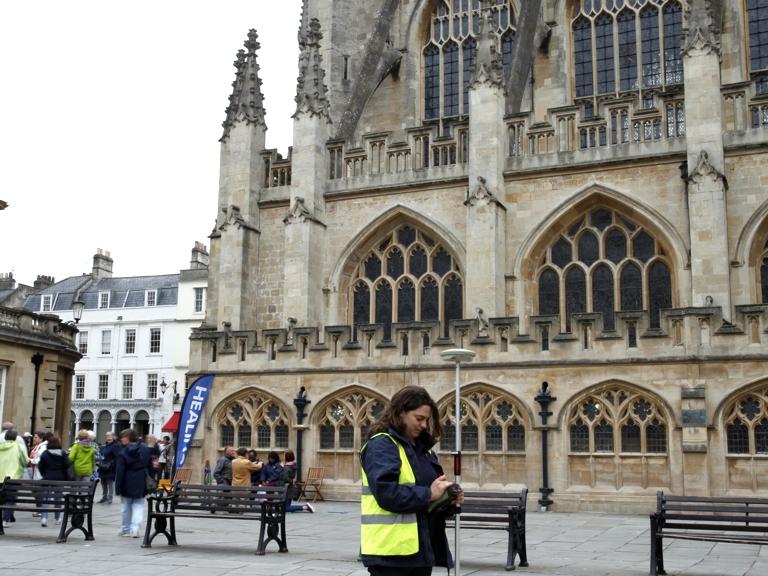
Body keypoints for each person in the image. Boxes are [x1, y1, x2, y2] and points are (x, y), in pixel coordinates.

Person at [359, 385, 462, 576]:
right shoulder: (382, 444)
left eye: (426, 419)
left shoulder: (424, 449)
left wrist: (445, 499)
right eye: (419, 418)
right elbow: (387, 494)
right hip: (391, 552)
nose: (424, 425)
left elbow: (426, 500)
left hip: (421, 548)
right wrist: (430, 493)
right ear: (400, 413)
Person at [114, 428, 152, 538]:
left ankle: (125, 529)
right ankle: (135, 529)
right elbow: (150, 468)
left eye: (123, 437)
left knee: (126, 506)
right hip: (141, 480)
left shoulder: (123, 452)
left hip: (127, 480)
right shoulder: (145, 449)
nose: (121, 439)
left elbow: (119, 471)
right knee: (138, 505)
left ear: (128, 438)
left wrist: (118, 487)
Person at [37, 436, 72, 527]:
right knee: (58, 498)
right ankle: (57, 518)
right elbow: (67, 465)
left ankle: (44, 517)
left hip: (47, 477)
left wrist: (44, 474)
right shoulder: (62, 453)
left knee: (46, 498)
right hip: (59, 478)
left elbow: (40, 466)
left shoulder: (45, 453)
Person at [0, 430, 29, 528]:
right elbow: (25, 461)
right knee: (10, 499)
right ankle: (5, 520)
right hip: (13, 477)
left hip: (0, 477)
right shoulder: (19, 447)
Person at [97, 432, 120, 504]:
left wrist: (110, 464)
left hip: (110, 468)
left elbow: (117, 457)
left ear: (113, 437)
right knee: (103, 482)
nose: (108, 438)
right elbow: (103, 455)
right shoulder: (106, 446)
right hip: (103, 467)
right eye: (107, 437)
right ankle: (104, 497)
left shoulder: (115, 446)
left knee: (110, 483)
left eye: (110, 437)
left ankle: (110, 498)